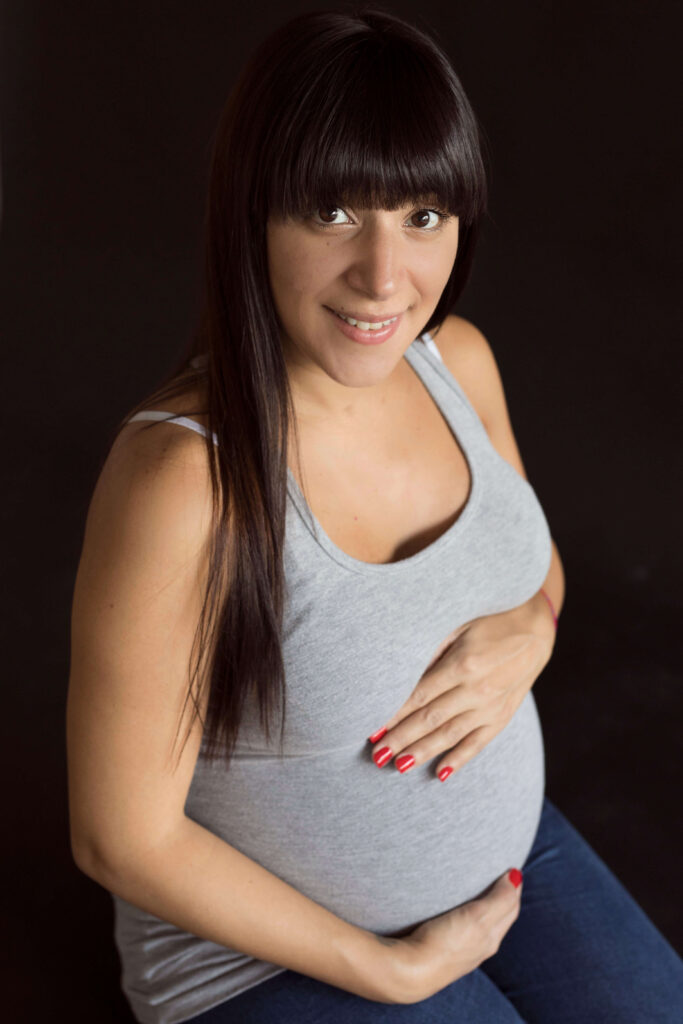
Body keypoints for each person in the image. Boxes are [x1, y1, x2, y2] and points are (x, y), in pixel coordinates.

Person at [65, 7, 683, 1023]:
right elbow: (119, 837)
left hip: (506, 863)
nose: (385, 277)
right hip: (264, 958)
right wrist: (382, 969)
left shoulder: (456, 362)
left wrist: (531, 629)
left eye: (422, 216)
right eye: (333, 213)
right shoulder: (182, 478)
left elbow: (533, 569)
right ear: (253, 215)